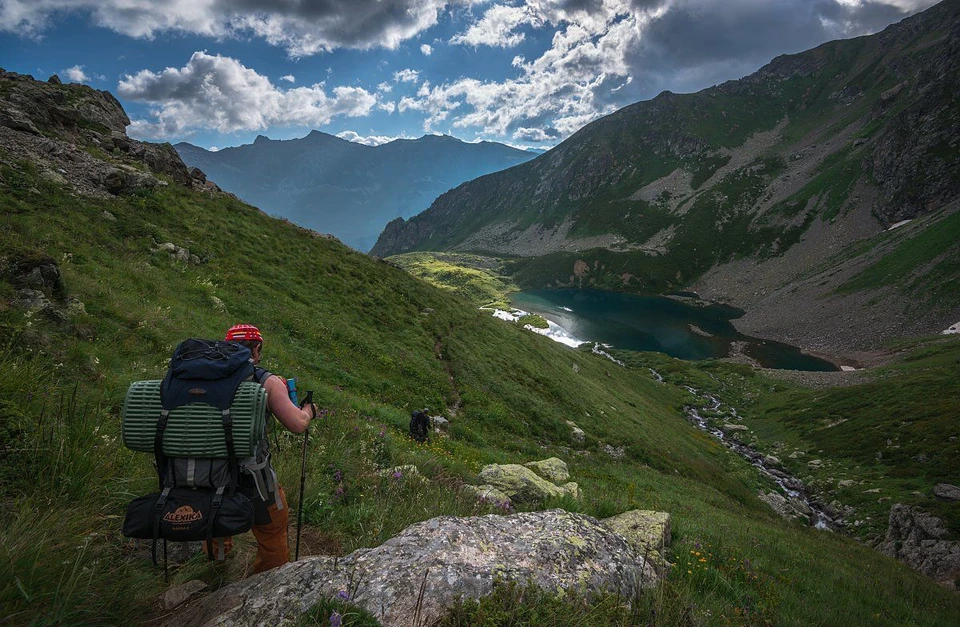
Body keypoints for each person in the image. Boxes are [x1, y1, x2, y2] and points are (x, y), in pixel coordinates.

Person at [214, 323, 317, 573]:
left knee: (214, 519)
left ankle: (215, 566)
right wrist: (309, 412)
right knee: (273, 530)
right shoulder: (265, 380)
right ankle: (266, 582)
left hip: (206, 473)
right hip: (252, 478)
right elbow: (297, 424)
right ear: (257, 349)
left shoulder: (204, 376)